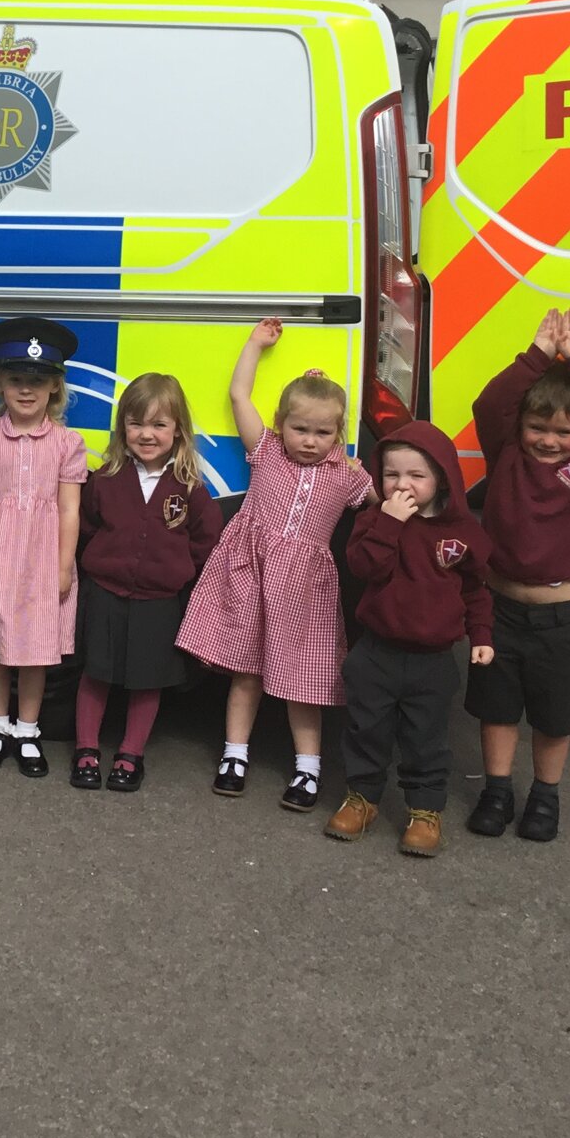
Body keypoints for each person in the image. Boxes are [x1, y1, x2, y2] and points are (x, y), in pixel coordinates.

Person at [178, 319, 375, 812]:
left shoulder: (348, 476)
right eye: (300, 428)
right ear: (281, 423)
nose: (309, 440)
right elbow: (239, 395)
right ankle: (234, 755)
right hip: (251, 575)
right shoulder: (266, 452)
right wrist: (253, 345)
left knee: (302, 678)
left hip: (306, 589)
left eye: (323, 432)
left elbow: (386, 499)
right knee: (245, 672)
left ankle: (308, 769)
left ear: (339, 433)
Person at [464, 307, 570, 843]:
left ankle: (544, 795)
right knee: (497, 710)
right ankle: (496, 790)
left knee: (555, 718)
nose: (549, 439)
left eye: (563, 431)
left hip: (560, 616)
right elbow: (489, 405)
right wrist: (536, 355)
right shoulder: (506, 452)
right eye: (538, 427)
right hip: (499, 610)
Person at [325, 421, 493, 857]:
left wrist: (482, 633)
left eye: (416, 476)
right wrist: (389, 524)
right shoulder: (372, 520)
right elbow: (364, 568)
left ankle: (425, 809)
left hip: (432, 659)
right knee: (366, 729)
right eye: (391, 475)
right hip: (376, 651)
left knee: (427, 737)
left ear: (442, 479)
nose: (402, 485)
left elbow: (475, 590)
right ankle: (363, 798)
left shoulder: (462, 533)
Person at [72, 373, 221, 794]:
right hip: (105, 594)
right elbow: (86, 527)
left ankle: (130, 754)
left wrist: (177, 573)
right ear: (123, 429)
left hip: (159, 601)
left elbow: (205, 542)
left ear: (178, 431)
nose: (147, 434)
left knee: (147, 679)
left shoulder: (190, 489)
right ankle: (86, 751)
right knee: (96, 673)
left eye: (159, 425)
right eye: (137, 423)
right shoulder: (105, 480)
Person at [0, 316, 88, 779]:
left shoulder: (68, 444)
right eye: (16, 379)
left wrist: (63, 567)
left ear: (55, 386)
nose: (27, 389)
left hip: (42, 560)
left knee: (36, 649)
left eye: (38, 380)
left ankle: (27, 729)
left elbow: (70, 510)